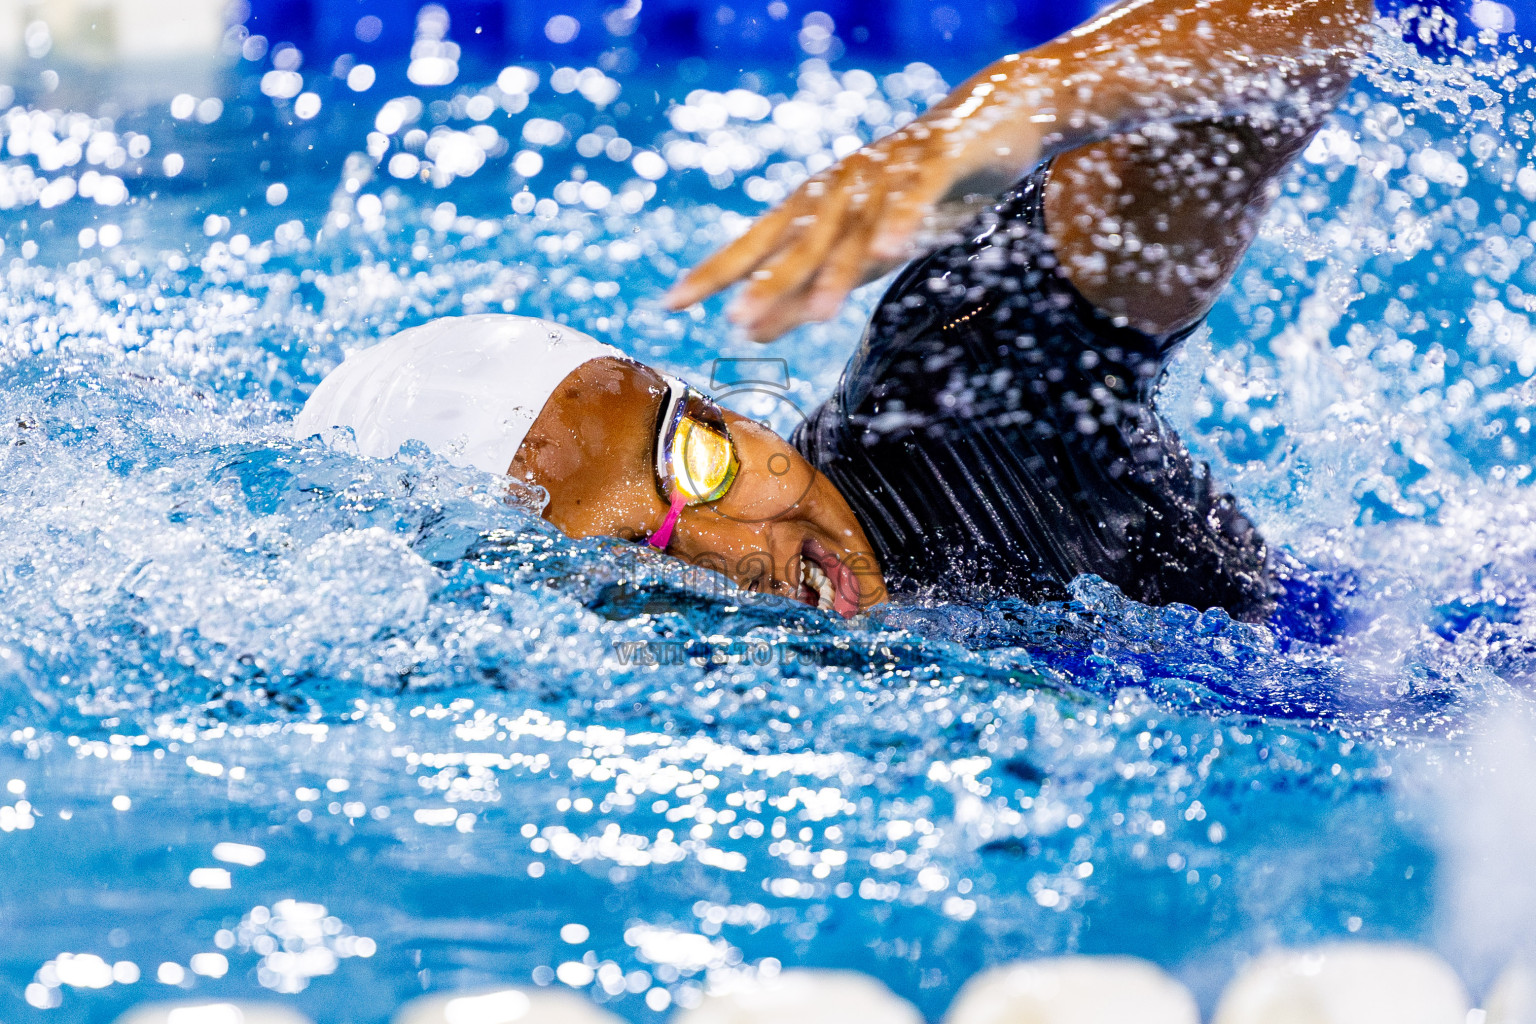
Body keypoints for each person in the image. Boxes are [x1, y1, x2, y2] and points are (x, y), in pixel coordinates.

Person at [296, 0, 1371, 621]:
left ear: (727, 412)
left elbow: (1313, 24)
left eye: (697, 464)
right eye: (627, 560)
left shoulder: (962, 385)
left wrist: (1018, 103)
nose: (726, 552)